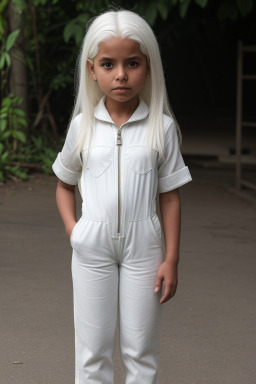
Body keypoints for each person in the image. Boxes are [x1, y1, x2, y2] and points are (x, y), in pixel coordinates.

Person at [52, 8, 192, 384]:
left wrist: (172, 258)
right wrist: (75, 231)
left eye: (132, 63)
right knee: (92, 350)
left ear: (148, 67)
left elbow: (170, 196)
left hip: (145, 247)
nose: (121, 74)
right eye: (108, 64)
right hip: (91, 246)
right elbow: (64, 184)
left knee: (140, 351)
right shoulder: (81, 127)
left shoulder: (161, 128)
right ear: (91, 70)